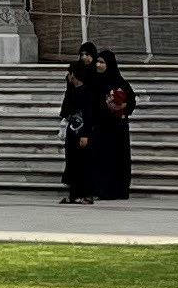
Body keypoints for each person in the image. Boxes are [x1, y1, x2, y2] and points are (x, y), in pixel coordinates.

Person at [86, 47, 138, 202]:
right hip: (100, 127)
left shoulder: (120, 82)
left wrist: (122, 107)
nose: (98, 65)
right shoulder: (94, 82)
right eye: (97, 62)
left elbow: (131, 101)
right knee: (101, 159)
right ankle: (101, 188)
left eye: (102, 62)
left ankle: (118, 189)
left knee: (117, 159)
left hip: (117, 129)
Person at [58, 51, 99, 203]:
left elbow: (88, 114)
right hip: (71, 132)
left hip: (82, 131)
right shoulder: (72, 92)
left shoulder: (86, 92)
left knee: (83, 164)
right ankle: (74, 195)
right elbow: (65, 111)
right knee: (72, 162)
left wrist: (85, 134)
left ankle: (86, 194)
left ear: (73, 74)